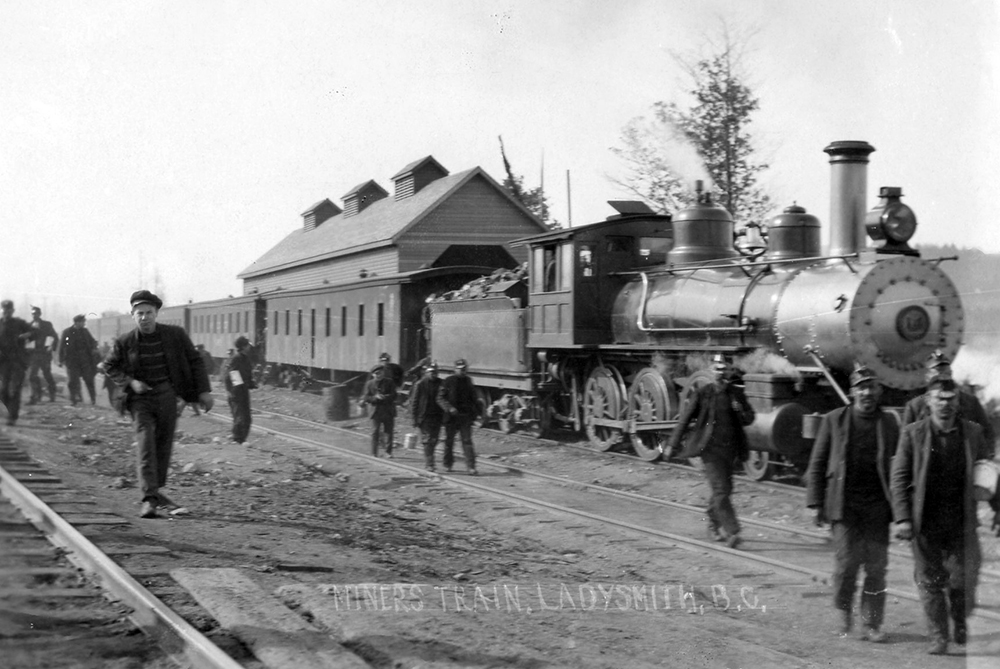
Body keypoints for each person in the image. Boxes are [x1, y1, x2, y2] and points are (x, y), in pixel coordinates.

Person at [891, 378, 1000, 655]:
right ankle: (938, 636)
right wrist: (903, 518)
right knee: (930, 581)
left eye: (951, 399)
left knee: (964, 579)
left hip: (961, 522)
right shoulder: (913, 434)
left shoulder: (973, 433)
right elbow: (900, 477)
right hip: (924, 522)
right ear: (928, 401)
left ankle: (960, 620)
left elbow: (988, 474)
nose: (945, 404)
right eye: (940, 398)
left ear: (958, 403)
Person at [805, 365, 899, 642]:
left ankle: (872, 624)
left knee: (876, 568)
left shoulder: (889, 422)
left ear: (879, 390)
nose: (867, 392)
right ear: (852, 391)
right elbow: (818, 462)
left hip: (878, 508)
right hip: (843, 506)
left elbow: (901, 464)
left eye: (872, 387)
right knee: (846, 566)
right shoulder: (835, 419)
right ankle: (844, 612)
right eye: (862, 387)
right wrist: (814, 503)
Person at [102, 290, 213, 518]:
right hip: (140, 401)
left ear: (156, 314)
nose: (145, 318)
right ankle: (149, 499)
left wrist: (203, 391)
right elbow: (110, 366)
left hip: (166, 397)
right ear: (133, 315)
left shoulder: (175, 335)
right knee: (145, 444)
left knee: (163, 446)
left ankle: (155, 490)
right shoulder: (125, 342)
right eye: (140, 313)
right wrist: (131, 382)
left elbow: (195, 361)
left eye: (149, 313)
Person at [665, 354, 755, 549]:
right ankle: (733, 531)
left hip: (730, 449)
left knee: (725, 490)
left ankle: (713, 522)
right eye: (716, 369)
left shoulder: (736, 394)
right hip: (710, 450)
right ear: (711, 370)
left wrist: (740, 410)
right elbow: (685, 419)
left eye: (723, 370)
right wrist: (673, 443)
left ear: (728, 372)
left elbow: (750, 418)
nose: (720, 373)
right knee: (721, 490)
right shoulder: (703, 393)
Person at [902, 349, 994, 447]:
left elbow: (987, 433)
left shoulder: (971, 402)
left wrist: (983, 458)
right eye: (937, 375)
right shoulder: (915, 406)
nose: (942, 378)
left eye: (946, 374)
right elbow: (905, 441)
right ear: (927, 377)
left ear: (951, 374)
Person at [436, 358, 481, 475]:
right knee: (449, 442)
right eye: (460, 369)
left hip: (465, 416)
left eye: (464, 369)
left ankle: (471, 467)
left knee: (467, 441)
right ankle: (448, 464)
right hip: (451, 417)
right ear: (455, 369)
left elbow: (473, 398)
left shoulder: (468, 381)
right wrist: (449, 408)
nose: (462, 371)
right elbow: (440, 398)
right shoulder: (448, 381)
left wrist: (476, 413)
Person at [0, 300, 35, 426]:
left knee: (15, 389)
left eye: (9, 310)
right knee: (3, 391)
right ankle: (11, 411)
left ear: (13, 311)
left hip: (18, 361)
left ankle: (12, 416)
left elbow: (34, 332)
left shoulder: (19, 323)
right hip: (3, 362)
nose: (6, 312)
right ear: (1, 310)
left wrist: (27, 334)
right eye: (4, 310)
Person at [410, 361, 444, 471]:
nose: (433, 374)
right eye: (431, 372)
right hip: (424, 417)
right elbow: (414, 402)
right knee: (428, 440)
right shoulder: (420, 384)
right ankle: (430, 463)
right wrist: (414, 419)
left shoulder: (441, 383)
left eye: (435, 372)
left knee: (434, 439)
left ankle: (430, 460)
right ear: (426, 372)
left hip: (437, 416)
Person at [58, 314, 99, 405]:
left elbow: (92, 341)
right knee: (73, 381)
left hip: (85, 360)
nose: (84, 324)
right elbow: (61, 346)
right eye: (83, 322)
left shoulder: (85, 331)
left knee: (89, 380)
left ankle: (93, 400)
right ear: (77, 322)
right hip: (72, 360)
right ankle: (73, 400)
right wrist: (60, 360)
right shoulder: (67, 332)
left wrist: (94, 346)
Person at [224, 336, 256, 444]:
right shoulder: (236, 358)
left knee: (246, 417)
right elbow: (232, 374)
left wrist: (250, 383)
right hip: (237, 392)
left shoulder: (244, 358)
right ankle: (237, 439)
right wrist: (236, 389)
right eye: (247, 345)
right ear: (243, 346)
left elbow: (246, 373)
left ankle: (240, 439)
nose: (249, 347)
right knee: (240, 417)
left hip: (242, 390)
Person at [362, 364, 397, 458]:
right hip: (376, 412)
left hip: (388, 411)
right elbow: (366, 397)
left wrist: (385, 397)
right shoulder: (369, 384)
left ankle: (388, 452)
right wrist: (375, 398)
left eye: (380, 373)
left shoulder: (390, 382)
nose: (379, 375)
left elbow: (394, 395)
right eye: (376, 374)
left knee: (389, 432)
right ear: (373, 375)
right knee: (375, 432)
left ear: (383, 373)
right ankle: (374, 452)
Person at [26, 306, 59, 404]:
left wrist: (51, 347)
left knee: (47, 375)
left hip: (44, 354)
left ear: (40, 314)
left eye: (36, 313)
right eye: (32, 314)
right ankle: (35, 397)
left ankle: (52, 395)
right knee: (32, 376)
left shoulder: (47, 325)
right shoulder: (28, 326)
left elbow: (55, 337)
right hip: (33, 355)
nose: (34, 315)